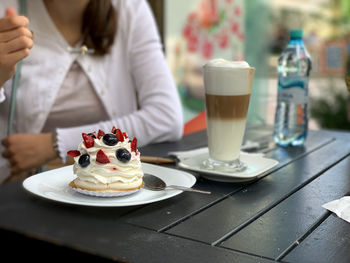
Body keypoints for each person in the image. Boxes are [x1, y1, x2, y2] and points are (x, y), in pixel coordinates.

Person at [0, 0, 183, 182]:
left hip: (116, 187)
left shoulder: (129, 8)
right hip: (21, 189)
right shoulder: (7, 14)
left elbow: (166, 117)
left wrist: (55, 144)